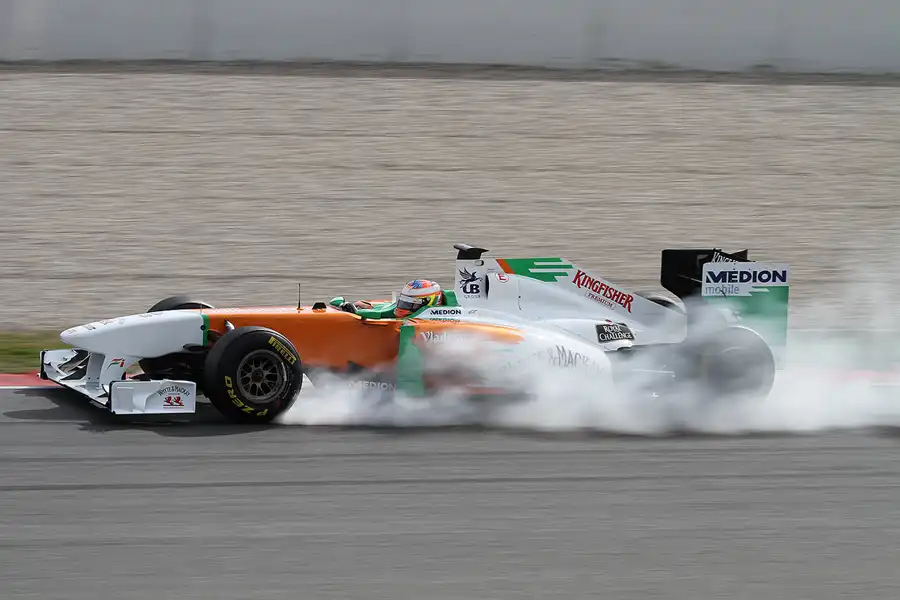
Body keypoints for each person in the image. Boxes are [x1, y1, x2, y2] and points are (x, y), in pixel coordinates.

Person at [331, 279, 445, 319]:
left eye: (411, 303)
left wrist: (357, 312)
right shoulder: (399, 309)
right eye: (405, 301)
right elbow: (386, 311)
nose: (404, 306)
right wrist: (366, 308)